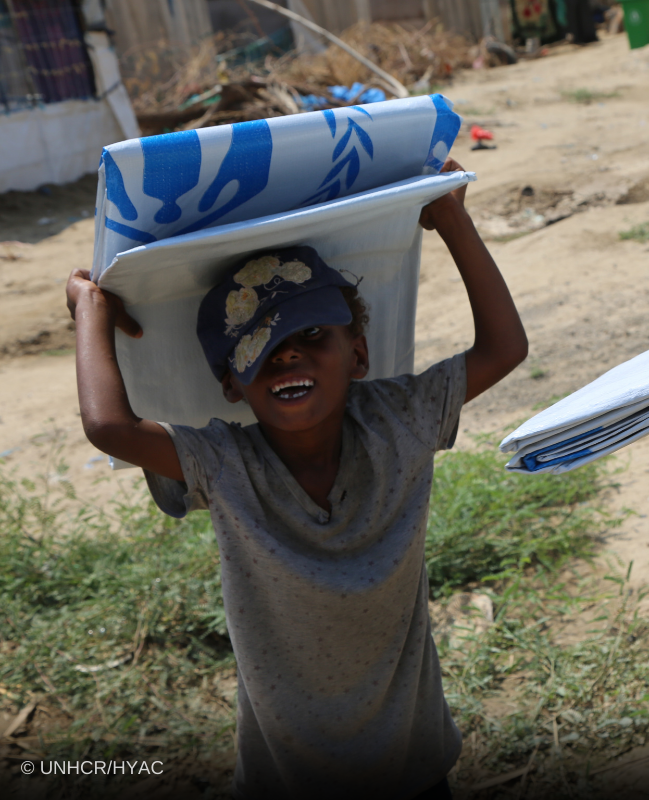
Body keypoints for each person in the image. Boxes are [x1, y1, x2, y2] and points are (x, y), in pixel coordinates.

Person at [65, 159, 527, 800]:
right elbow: (110, 428)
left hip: (413, 762)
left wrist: (450, 217)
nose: (286, 352)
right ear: (231, 382)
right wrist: (90, 307)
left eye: (310, 333)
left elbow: (504, 349)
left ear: (358, 354)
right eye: (257, 345)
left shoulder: (399, 419)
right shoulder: (226, 464)